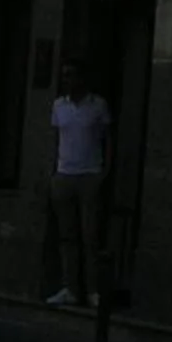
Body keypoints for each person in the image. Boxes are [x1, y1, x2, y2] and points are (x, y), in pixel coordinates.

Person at [47, 59, 110, 307]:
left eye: (71, 75)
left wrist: (104, 170)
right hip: (64, 174)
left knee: (90, 235)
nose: (67, 80)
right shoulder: (58, 106)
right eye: (64, 76)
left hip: (89, 175)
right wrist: (53, 171)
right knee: (67, 236)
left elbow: (107, 138)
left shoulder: (98, 106)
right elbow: (55, 138)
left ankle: (93, 290)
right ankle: (69, 287)